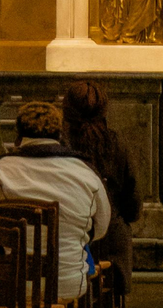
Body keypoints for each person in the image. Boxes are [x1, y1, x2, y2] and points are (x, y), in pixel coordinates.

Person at [0, 100, 110, 304]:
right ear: (60, 135)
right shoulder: (85, 172)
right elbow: (101, 228)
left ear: (18, 136)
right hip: (68, 282)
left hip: (11, 283)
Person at [64, 81, 141, 297]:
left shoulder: (62, 146)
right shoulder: (117, 143)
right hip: (113, 243)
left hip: (72, 242)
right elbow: (133, 201)